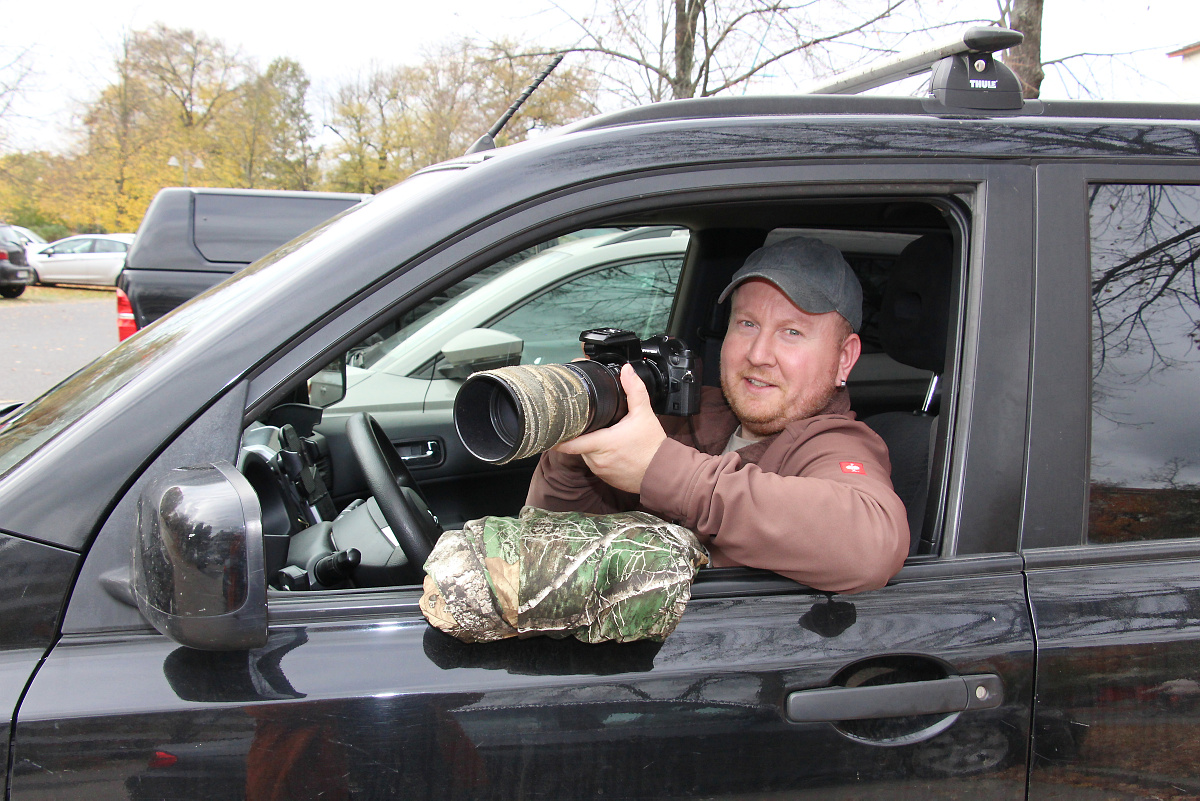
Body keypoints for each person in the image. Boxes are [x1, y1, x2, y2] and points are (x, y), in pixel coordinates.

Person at [525, 235, 909, 594]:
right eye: (747, 324)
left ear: (845, 359)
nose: (758, 354)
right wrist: (577, 442)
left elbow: (871, 545)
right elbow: (554, 545)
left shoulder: (835, 446)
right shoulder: (687, 415)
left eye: (791, 332)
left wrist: (660, 469)